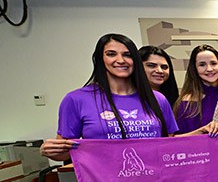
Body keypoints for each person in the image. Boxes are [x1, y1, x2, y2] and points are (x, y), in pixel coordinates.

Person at [40, 33, 178, 161]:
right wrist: (50, 150)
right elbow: (65, 152)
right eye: (111, 54)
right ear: (100, 59)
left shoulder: (158, 99)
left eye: (127, 55)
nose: (121, 60)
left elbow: (169, 145)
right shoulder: (76, 100)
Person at [174, 44, 218, 135]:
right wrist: (201, 131)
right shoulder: (186, 104)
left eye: (213, 63)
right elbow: (176, 140)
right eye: (202, 65)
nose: (209, 69)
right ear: (195, 70)